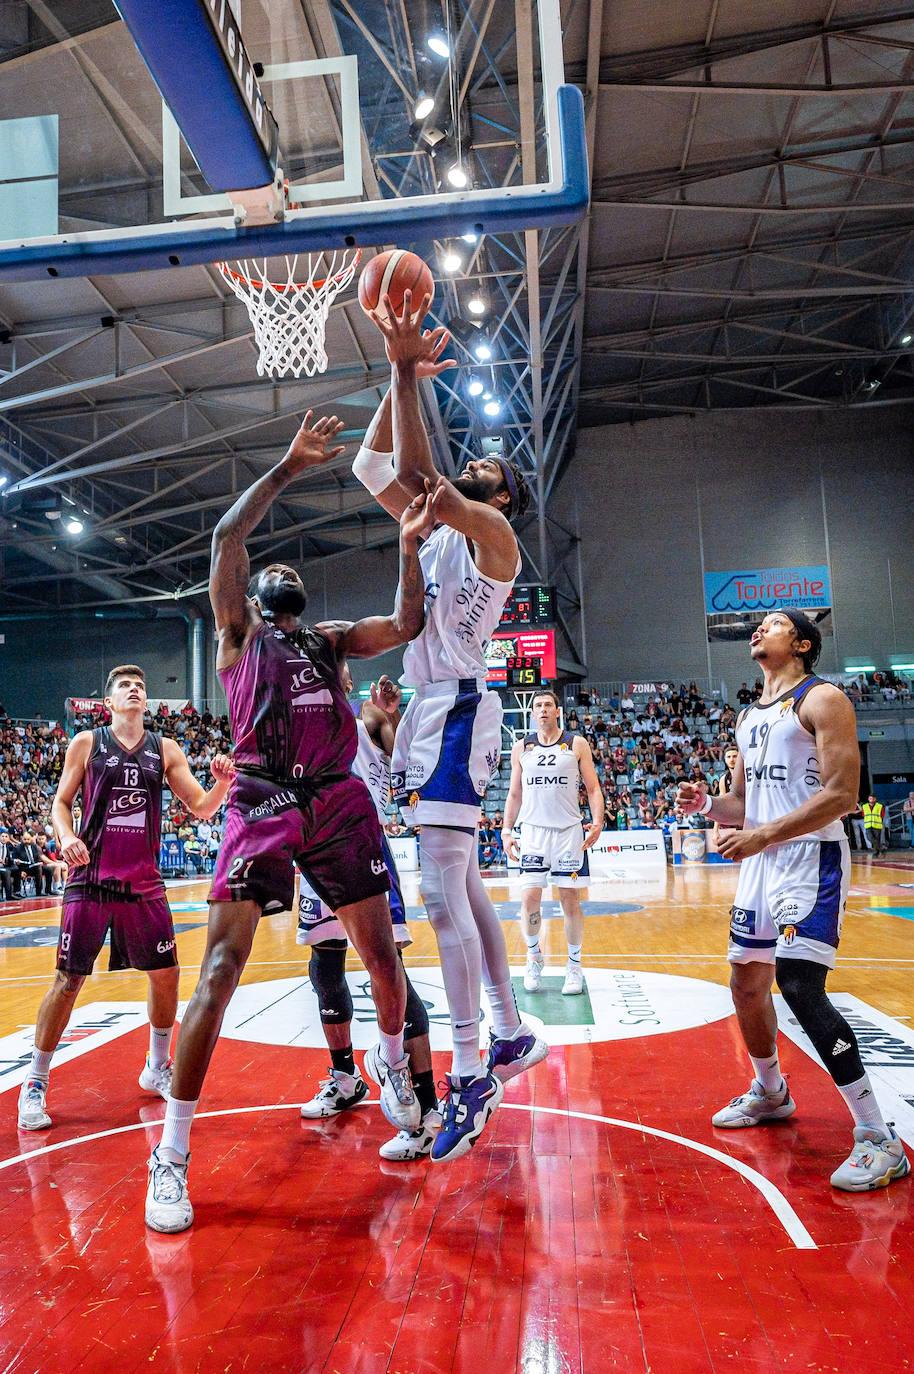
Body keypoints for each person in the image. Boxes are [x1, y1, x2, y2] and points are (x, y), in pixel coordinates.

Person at [145, 410, 432, 1233]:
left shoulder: (332, 644)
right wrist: (288, 467)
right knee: (222, 968)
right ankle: (170, 1153)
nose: (273, 568)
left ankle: (391, 1068)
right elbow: (227, 542)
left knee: (383, 958)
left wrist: (410, 550)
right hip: (264, 796)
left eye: (281, 566)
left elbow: (406, 624)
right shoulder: (238, 635)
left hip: (338, 798)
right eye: (266, 567)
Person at [353, 292, 548, 1163]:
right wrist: (399, 387)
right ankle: (506, 1029)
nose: (480, 469)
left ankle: (470, 1072)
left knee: (438, 892)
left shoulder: (492, 533)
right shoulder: (431, 531)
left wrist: (402, 366)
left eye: (492, 469)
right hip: (434, 708)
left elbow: (428, 481)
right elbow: (371, 464)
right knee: (461, 887)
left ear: (503, 494)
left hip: (463, 704)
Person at [676, 608, 909, 1192]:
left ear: (802, 643)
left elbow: (842, 794)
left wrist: (759, 836)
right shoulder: (748, 715)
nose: (759, 629)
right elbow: (742, 805)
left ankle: (878, 1138)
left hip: (812, 859)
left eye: (774, 623)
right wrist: (708, 806)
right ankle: (771, 1091)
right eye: (758, 625)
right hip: (765, 861)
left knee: (800, 985)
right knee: (745, 982)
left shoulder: (823, 699)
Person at [18, 665, 234, 1133]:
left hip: (143, 881)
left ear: (145, 702)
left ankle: (157, 1064)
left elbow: (200, 807)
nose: (135, 689)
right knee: (68, 980)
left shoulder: (165, 749)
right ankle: (34, 1081)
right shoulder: (87, 743)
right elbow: (59, 803)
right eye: (124, 686)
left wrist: (221, 782)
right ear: (109, 703)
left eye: (141, 685)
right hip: (89, 878)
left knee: (167, 974)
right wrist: (67, 835)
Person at [297, 668, 440, 1161]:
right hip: (314, 849)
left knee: (391, 972)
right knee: (325, 969)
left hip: (364, 843)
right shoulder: (299, 721)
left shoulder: (371, 715)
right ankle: (344, 1078)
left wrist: (396, 717)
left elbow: (405, 764)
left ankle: (425, 1105)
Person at [501, 689, 604, 995]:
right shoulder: (521, 747)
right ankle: (533, 957)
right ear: (532, 714)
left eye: (548, 705)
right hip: (532, 832)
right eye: (538, 706)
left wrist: (597, 823)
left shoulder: (576, 743)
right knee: (529, 897)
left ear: (558, 711)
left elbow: (594, 788)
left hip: (568, 833)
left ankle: (574, 966)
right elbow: (514, 793)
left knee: (570, 899)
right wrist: (507, 830)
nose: (543, 709)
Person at [12, 830, 50, 896]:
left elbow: (37, 858)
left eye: (28, 839)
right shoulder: (17, 848)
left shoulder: (34, 846)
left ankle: (48, 890)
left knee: (49, 870)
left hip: (35, 867)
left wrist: (39, 862)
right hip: (24, 869)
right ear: (22, 839)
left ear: (31, 839)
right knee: (38, 869)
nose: (26, 841)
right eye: (25, 839)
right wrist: (17, 862)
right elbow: (14, 859)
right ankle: (39, 892)